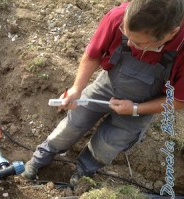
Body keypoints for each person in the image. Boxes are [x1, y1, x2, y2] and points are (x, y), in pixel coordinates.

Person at [21, 0, 184, 186]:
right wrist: (76, 89)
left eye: (139, 43)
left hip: (145, 103)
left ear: (172, 33)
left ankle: (84, 173)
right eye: (126, 34)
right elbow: (93, 54)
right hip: (108, 84)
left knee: (110, 142)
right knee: (75, 121)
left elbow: (178, 100)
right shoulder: (118, 16)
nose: (129, 43)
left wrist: (136, 108)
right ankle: (41, 157)